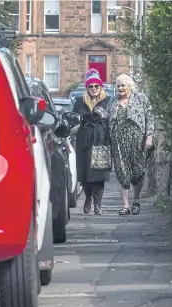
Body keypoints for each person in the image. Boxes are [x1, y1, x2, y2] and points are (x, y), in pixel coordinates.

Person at [108, 74, 154, 215]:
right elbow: (107, 120)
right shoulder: (113, 101)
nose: (120, 88)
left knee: (138, 172)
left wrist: (149, 137)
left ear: (130, 86)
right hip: (118, 141)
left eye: (123, 85)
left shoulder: (141, 98)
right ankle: (126, 205)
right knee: (121, 172)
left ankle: (136, 200)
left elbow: (150, 117)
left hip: (137, 140)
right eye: (118, 85)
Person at [73, 68, 112, 215]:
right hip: (84, 139)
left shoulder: (107, 101)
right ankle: (88, 196)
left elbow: (111, 120)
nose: (94, 89)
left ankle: (98, 204)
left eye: (96, 86)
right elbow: (74, 119)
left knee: (99, 173)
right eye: (91, 86)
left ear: (100, 86)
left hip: (101, 139)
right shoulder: (80, 101)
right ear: (87, 87)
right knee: (85, 172)